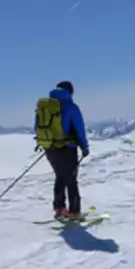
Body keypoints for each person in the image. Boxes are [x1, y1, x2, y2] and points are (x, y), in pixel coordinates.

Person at [34, 81, 90, 219]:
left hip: (49, 147)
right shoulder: (71, 107)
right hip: (67, 148)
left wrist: (50, 142)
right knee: (71, 179)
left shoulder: (45, 107)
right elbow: (79, 129)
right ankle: (74, 212)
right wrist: (84, 146)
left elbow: (37, 127)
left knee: (60, 176)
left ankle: (59, 209)